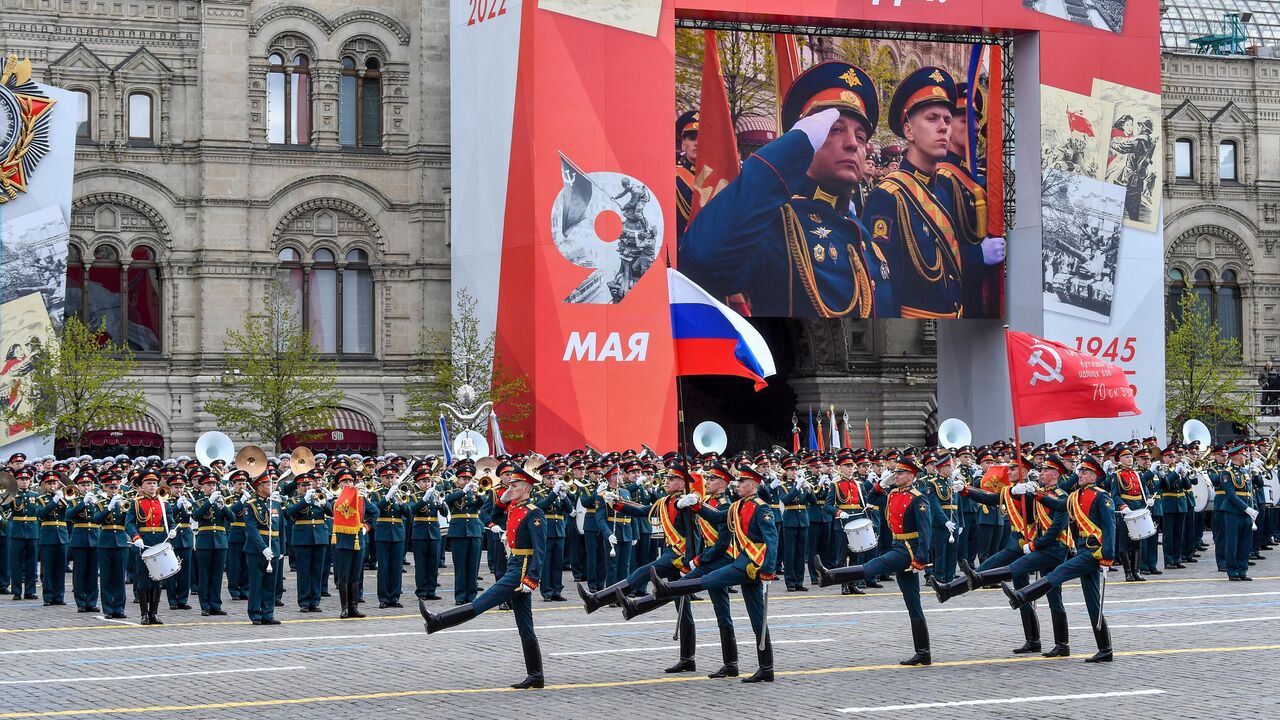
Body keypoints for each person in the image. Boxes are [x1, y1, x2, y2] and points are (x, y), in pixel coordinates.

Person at [679, 61, 884, 318]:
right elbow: (702, 261)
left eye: (861, 137)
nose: (853, 144)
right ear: (808, 140)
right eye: (834, 130)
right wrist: (794, 147)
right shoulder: (776, 224)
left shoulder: (861, 232)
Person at [421, 466, 548, 689]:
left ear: (526, 488)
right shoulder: (513, 507)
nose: (510, 488)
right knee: (525, 626)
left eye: (515, 485)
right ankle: (536, 675)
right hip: (513, 564)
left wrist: (532, 578)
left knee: (481, 603)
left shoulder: (533, 512)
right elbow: (493, 516)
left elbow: (540, 549)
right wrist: (502, 500)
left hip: (521, 571)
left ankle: (437, 621)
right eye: (509, 485)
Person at [649, 464, 779, 683]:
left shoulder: (761, 508)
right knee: (757, 619)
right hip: (743, 564)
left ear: (754, 485)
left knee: (709, 579)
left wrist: (768, 569)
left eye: (743, 482)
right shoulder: (737, 506)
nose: (739, 485)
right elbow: (718, 518)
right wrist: (697, 506)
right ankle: (766, 668)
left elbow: (772, 540)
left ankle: (670, 588)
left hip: (750, 565)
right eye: (739, 482)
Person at [862, 67, 964, 319]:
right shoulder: (888, 196)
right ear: (909, 131)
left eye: (948, 120)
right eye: (932, 119)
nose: (943, 128)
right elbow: (884, 287)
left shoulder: (942, 190)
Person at [814, 456, 933, 666]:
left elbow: (925, 531)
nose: (896, 475)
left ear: (911, 476)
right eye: (896, 472)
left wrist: (921, 558)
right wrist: (880, 486)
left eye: (901, 473)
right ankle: (923, 652)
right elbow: (870, 497)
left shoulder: (918, 498)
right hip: (897, 545)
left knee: (872, 566)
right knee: (913, 603)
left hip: (908, 550)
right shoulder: (893, 493)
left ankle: (830, 576)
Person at [578, 463, 698, 671]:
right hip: (671, 554)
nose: (667, 481)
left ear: (681, 483)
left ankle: (597, 599)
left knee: (643, 572)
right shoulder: (664, 501)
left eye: (671, 479)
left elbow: (693, 535)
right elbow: (643, 510)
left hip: (678, 557)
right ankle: (687, 659)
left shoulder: (685, 504)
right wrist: (616, 503)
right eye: (667, 478)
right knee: (682, 608)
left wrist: (689, 562)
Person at [1003, 454, 1115, 663]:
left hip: (1095, 553)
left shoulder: (1102, 497)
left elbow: (1110, 528)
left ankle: (1021, 596)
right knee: (1093, 604)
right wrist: (1036, 494)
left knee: (1058, 573)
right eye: (1080, 471)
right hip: (1082, 551)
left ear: (1094, 476)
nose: (1080, 475)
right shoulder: (1074, 497)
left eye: (1085, 472)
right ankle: (1105, 648)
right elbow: (1058, 507)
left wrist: (1108, 556)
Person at [936, 81, 1005, 318]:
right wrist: (978, 255)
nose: (976, 127)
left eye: (976, 120)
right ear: (946, 126)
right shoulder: (941, 179)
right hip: (957, 305)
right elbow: (936, 254)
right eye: (965, 121)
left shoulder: (968, 176)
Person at [125, 470, 171, 625]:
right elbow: (129, 523)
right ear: (142, 486)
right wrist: (135, 537)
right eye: (149, 483)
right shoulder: (136, 502)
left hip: (159, 541)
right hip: (143, 542)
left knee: (157, 579)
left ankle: (154, 613)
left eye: (154, 483)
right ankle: (144, 613)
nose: (152, 486)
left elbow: (169, 520)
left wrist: (172, 531)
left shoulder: (163, 502)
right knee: (143, 579)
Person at [285, 471, 330, 612]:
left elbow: (332, 512)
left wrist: (324, 503)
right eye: (303, 485)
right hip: (302, 539)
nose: (307, 487)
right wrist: (304, 501)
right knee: (304, 572)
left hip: (320, 538)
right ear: (298, 486)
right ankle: (304, 602)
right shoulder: (294, 500)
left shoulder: (319, 498)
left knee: (318, 571)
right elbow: (289, 513)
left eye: (309, 484)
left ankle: (315, 601)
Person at [242, 470, 283, 625]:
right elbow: (252, 530)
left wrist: (281, 550)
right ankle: (255, 613)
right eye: (267, 483)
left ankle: (268, 613)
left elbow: (281, 529)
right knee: (256, 583)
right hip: (256, 550)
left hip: (274, 548)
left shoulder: (275, 504)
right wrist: (263, 548)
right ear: (259, 487)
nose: (271, 486)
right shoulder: (250, 505)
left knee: (270, 584)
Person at [444, 460, 484, 604]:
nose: (466, 481)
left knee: (473, 566)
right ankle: (460, 596)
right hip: (459, 531)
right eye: (463, 478)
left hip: (474, 530)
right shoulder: (452, 490)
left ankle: (472, 596)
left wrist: (478, 493)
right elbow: (448, 500)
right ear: (458, 479)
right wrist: (464, 490)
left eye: (469, 478)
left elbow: (484, 503)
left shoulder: (476, 490)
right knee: (460, 566)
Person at [371, 464, 409, 609]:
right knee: (384, 567)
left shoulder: (400, 492)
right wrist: (387, 497)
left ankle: (395, 597)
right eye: (387, 477)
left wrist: (402, 503)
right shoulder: (376, 493)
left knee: (396, 567)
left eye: (392, 477)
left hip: (398, 532)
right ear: (381, 478)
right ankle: (384, 598)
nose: (390, 480)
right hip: (383, 532)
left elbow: (409, 514)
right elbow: (374, 510)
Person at [94, 474, 130, 619]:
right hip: (106, 540)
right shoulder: (100, 503)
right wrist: (108, 508)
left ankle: (119, 608)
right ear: (104, 488)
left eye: (116, 487)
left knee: (120, 577)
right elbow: (97, 520)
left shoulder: (125, 503)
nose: (114, 490)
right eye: (110, 487)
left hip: (121, 541)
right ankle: (108, 608)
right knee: (107, 577)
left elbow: (129, 523)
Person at [408, 466, 445, 601]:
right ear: (418, 482)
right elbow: (411, 510)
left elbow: (445, 513)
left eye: (428, 481)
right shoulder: (414, 496)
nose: (427, 483)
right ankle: (421, 591)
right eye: (424, 481)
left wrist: (441, 503)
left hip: (434, 532)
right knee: (421, 563)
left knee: (433, 563)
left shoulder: (435, 494)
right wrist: (424, 499)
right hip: (420, 532)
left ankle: (431, 590)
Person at [66, 473, 101, 612]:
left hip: (95, 537)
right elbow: (68, 516)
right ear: (78, 487)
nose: (86, 487)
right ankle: (80, 602)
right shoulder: (73, 500)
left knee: (93, 573)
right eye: (83, 485)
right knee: (80, 573)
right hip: (80, 538)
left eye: (88, 485)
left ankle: (92, 602)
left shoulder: (98, 500)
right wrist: (83, 503)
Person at [34, 471, 69, 606]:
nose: (52, 486)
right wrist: (54, 502)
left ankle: (59, 596)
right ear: (45, 485)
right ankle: (48, 597)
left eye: (54, 483)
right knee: (48, 568)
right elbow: (41, 514)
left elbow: (69, 515)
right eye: (50, 483)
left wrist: (65, 499)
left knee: (60, 568)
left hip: (62, 535)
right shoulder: (41, 499)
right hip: (48, 535)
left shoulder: (64, 498)